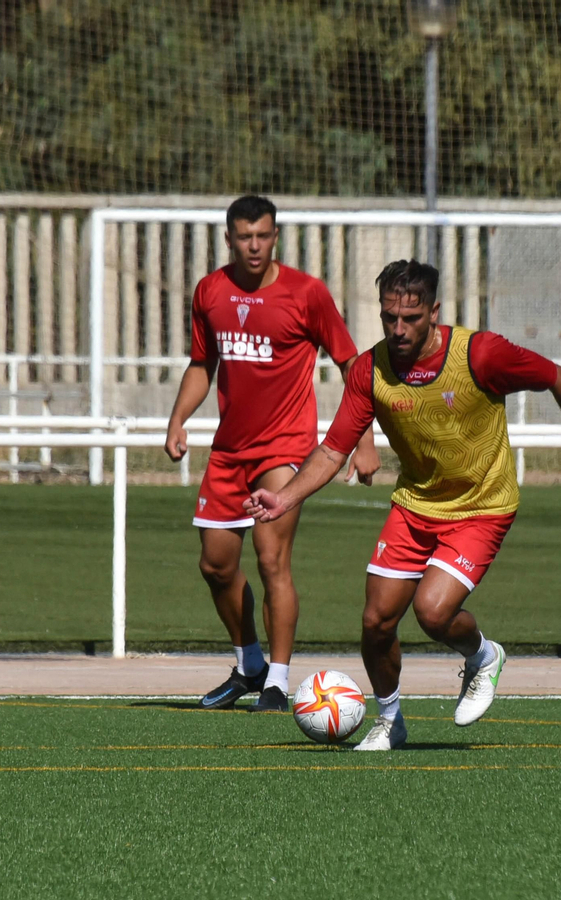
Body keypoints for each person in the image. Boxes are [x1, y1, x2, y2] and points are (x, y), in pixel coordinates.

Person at [245, 259, 561, 751]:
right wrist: (285, 496)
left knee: (433, 612)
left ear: (434, 312)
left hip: (482, 505)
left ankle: (483, 656)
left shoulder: (481, 355)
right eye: (388, 318)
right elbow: (334, 449)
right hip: (415, 505)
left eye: (411, 318)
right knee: (376, 621)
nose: (398, 329)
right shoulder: (369, 370)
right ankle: (390, 720)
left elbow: (557, 377)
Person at [163, 195, 378, 713]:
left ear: (276, 235)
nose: (254, 245)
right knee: (215, 566)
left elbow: (353, 365)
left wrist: (364, 441)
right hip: (228, 452)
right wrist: (177, 419)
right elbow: (201, 364)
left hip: (285, 448)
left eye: (263, 235)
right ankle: (250, 665)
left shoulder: (307, 294)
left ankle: (278, 684)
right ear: (229, 238)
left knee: (270, 558)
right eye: (244, 237)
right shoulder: (210, 292)